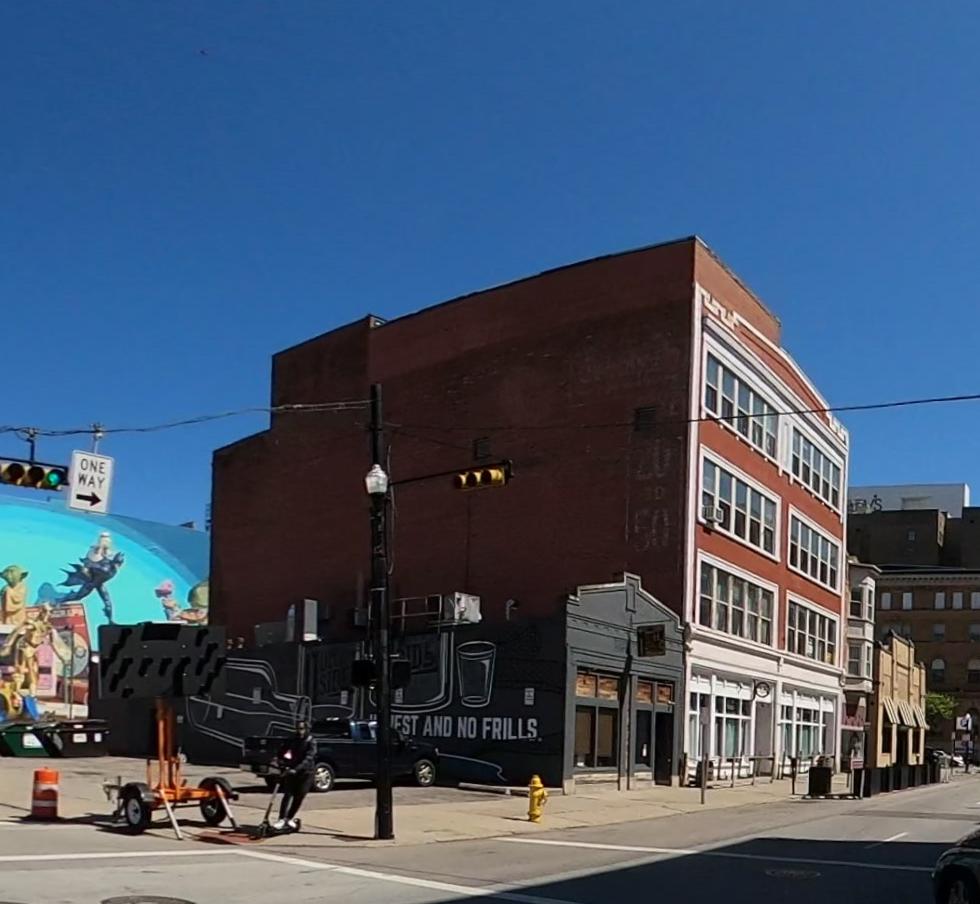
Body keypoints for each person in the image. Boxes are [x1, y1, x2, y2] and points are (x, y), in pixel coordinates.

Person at [272, 720, 315, 832]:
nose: (299, 731)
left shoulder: (311, 741)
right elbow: (282, 751)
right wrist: (279, 760)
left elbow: (308, 758)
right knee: (287, 794)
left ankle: (289, 818)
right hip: (291, 770)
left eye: (301, 729)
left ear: (307, 729)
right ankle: (281, 819)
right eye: (297, 729)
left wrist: (297, 769)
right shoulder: (292, 739)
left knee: (299, 796)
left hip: (306, 773)